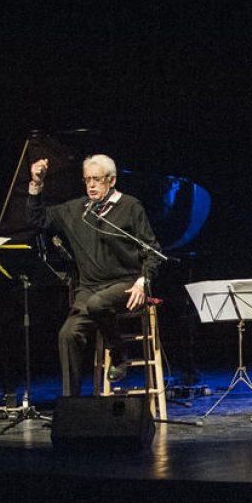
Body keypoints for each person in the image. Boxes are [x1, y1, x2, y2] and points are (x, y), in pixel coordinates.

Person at [28, 154, 162, 397]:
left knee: (97, 303)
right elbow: (39, 219)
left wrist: (143, 281)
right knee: (68, 334)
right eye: (87, 179)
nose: (91, 185)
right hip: (89, 289)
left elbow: (153, 251)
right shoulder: (76, 210)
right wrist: (36, 184)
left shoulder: (130, 207)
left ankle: (119, 353)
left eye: (97, 180)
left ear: (111, 180)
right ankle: (72, 402)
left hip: (126, 284)